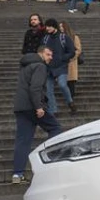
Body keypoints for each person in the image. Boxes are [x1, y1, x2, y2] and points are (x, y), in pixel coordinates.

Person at [11, 46, 62, 184]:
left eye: (51, 55)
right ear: (41, 53)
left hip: (20, 107)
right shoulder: (40, 66)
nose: (50, 57)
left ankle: (17, 174)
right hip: (32, 106)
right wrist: (39, 106)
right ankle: (50, 159)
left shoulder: (26, 65)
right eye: (48, 54)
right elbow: (35, 88)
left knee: (23, 140)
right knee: (55, 128)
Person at [41, 19, 76, 115]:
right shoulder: (45, 38)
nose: (47, 28)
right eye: (46, 26)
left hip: (61, 66)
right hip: (48, 68)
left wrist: (63, 58)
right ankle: (52, 111)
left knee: (62, 84)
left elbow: (72, 51)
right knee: (48, 90)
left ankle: (70, 102)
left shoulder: (64, 37)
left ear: (54, 27)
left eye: (49, 26)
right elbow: (41, 50)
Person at [62, 21, 82, 98]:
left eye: (62, 26)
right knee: (63, 81)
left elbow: (78, 49)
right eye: (59, 26)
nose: (60, 28)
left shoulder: (74, 37)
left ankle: (71, 97)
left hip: (71, 62)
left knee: (71, 81)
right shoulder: (58, 37)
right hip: (62, 62)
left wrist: (72, 57)